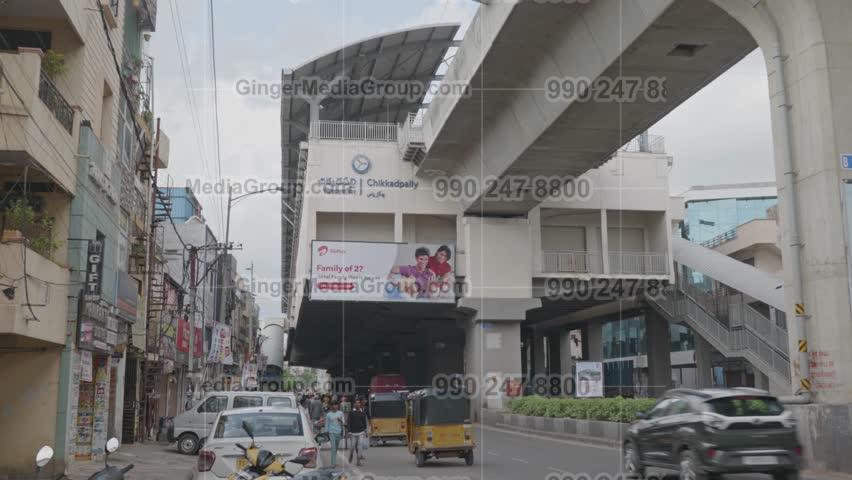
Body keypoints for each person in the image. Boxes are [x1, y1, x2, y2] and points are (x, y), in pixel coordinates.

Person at [346, 397, 370, 466]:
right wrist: (349, 432)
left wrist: (365, 431)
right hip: (353, 433)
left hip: (361, 432)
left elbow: (364, 422)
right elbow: (349, 422)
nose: (357, 404)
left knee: (360, 446)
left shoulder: (362, 413)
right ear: (354, 404)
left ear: (360, 404)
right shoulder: (351, 412)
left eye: (358, 403)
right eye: (356, 403)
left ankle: (358, 460)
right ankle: (351, 455)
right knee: (353, 446)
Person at [323, 401, 345, 467]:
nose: (334, 406)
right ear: (331, 406)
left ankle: (334, 462)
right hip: (331, 432)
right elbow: (326, 424)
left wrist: (340, 420)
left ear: (337, 406)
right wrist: (326, 432)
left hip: (339, 432)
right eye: (333, 405)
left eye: (335, 405)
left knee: (336, 448)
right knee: (333, 448)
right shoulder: (328, 414)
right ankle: (333, 463)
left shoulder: (341, 413)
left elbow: (343, 423)